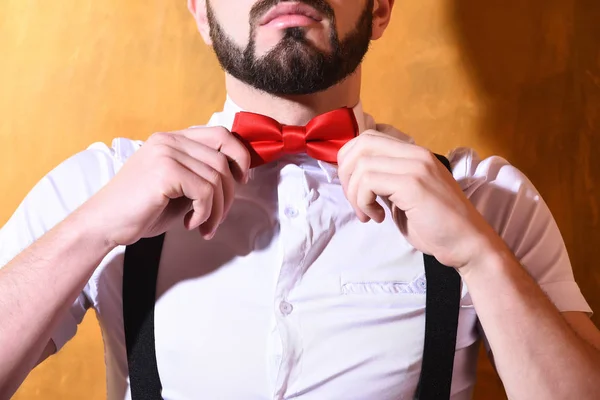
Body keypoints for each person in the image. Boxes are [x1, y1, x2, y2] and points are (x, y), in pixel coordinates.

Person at [0, 0, 599, 399]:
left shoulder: (487, 199)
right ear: (201, 11)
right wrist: (92, 230)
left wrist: (481, 258)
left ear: (381, 7)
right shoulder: (99, 187)